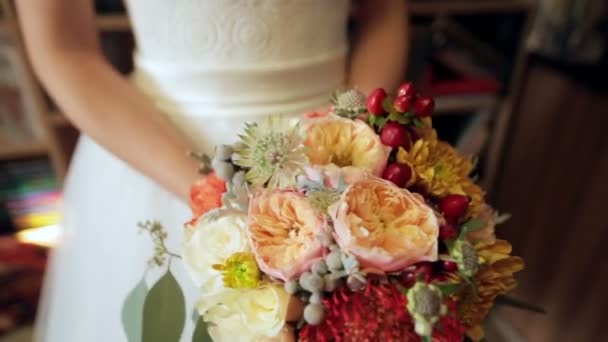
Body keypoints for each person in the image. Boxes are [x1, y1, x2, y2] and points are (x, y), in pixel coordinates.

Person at [17, 0, 408, 341]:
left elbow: (384, 13)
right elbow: (63, 48)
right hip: (158, 159)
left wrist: (352, 145)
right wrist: (212, 198)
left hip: (337, 152)